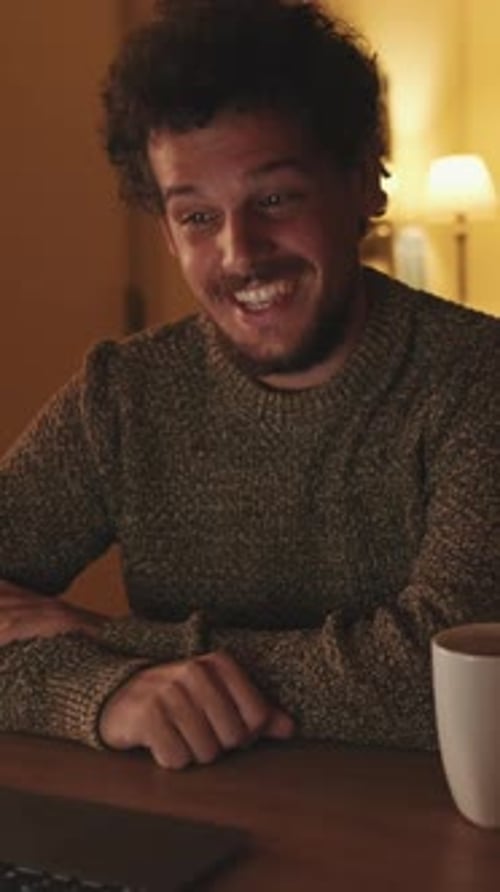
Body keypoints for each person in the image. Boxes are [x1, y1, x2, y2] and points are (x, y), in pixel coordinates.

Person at [0, 0, 498, 771]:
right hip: (176, 839)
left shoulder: (478, 379)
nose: (241, 253)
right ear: (166, 232)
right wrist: (104, 697)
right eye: (197, 217)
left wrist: (113, 637)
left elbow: (450, 673)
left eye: (274, 200)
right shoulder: (124, 395)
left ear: (364, 180)